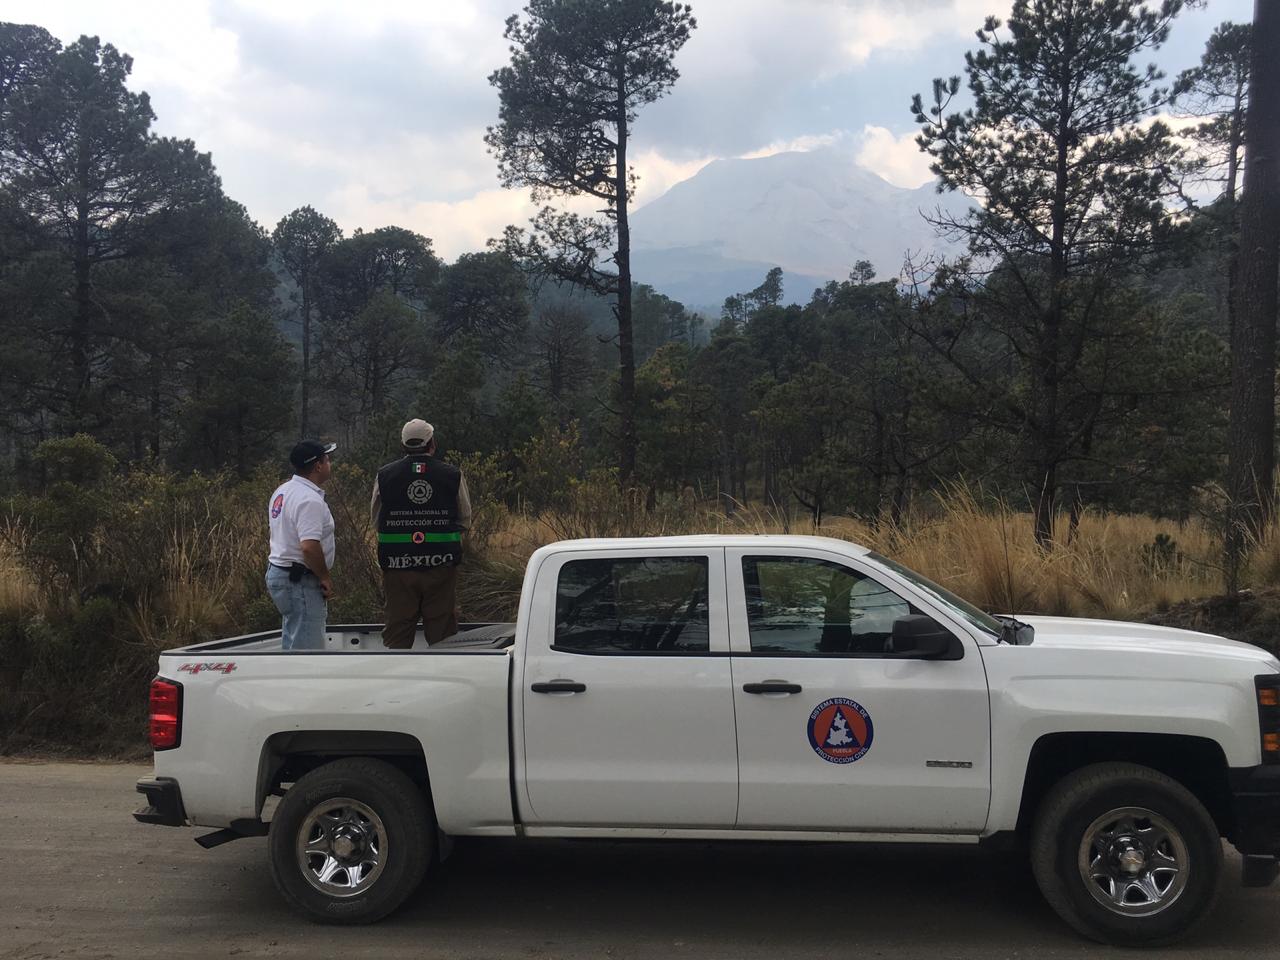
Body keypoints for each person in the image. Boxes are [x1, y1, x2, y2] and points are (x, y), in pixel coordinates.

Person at [370, 419, 472, 648]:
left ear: (403, 445)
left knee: (398, 627)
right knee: (442, 629)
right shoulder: (452, 475)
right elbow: (464, 518)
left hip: (397, 566)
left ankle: (397, 679)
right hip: (442, 564)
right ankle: (442, 679)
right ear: (432, 444)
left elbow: (376, 520)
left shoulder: (384, 475)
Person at [266, 439, 337, 650]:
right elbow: (309, 546)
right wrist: (324, 576)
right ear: (318, 466)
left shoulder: (283, 491)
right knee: (307, 651)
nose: (329, 463)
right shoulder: (309, 500)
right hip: (300, 581)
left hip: (283, 575)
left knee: (294, 638)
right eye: (327, 459)